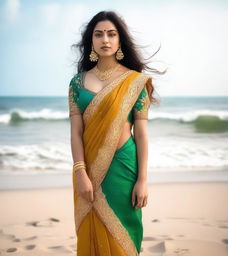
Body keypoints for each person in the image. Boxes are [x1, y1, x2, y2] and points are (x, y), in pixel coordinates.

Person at [68, 10, 162, 256]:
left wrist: (143, 180)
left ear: (120, 41)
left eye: (111, 34)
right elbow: (76, 133)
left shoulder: (135, 82)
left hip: (124, 168)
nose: (105, 40)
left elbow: (141, 135)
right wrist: (80, 172)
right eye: (98, 35)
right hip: (87, 167)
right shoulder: (77, 83)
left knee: (124, 237)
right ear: (91, 41)